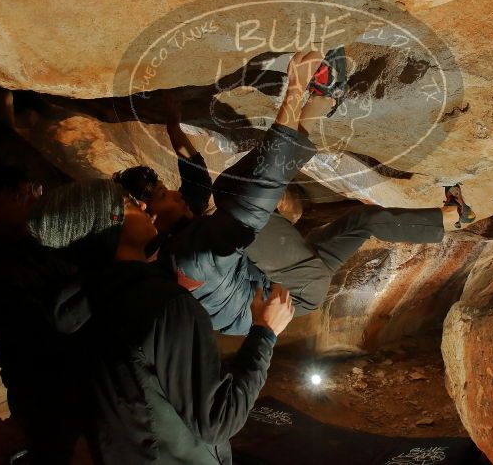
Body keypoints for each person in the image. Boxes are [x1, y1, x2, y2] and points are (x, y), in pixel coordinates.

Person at [116, 51, 478, 334]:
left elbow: (193, 172)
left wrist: (171, 122)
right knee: (233, 195)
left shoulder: (173, 236)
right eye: (165, 196)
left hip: (288, 283)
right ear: (150, 215)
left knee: (362, 221)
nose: (176, 196)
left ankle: (451, 216)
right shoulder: (193, 255)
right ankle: (316, 99)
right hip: (289, 292)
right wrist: (293, 90)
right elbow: (259, 193)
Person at [26, 178, 295, 464]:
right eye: (128, 204)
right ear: (110, 225)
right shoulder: (163, 306)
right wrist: (264, 333)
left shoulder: (78, 307)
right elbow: (218, 421)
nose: (142, 204)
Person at [0, 163, 95, 464]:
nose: (35, 198)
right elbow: (40, 341)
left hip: (83, 380)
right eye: (19, 197)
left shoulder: (50, 242)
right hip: (49, 398)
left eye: (32, 190)